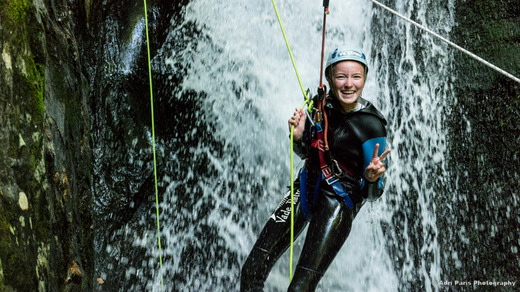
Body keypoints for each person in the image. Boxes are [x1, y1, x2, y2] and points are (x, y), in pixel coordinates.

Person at [240, 46, 391, 291]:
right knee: (251, 271)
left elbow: (373, 194)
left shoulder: (372, 126)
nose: (349, 84)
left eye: (356, 77)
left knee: (299, 289)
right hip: (305, 188)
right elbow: (308, 154)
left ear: (365, 78)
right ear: (330, 77)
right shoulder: (319, 104)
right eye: (341, 76)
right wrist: (298, 138)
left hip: (338, 204)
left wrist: (372, 178)